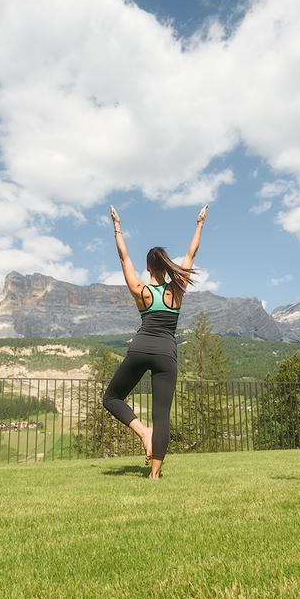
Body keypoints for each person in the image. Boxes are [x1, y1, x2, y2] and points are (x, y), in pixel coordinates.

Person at [102, 204, 207, 479]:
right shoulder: (177, 289)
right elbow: (191, 253)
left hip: (140, 347)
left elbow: (124, 258)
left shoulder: (141, 290)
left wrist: (117, 227)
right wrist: (199, 224)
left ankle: (142, 431)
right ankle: (154, 475)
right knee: (162, 415)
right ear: (165, 266)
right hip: (166, 354)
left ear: (149, 267)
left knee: (111, 397)